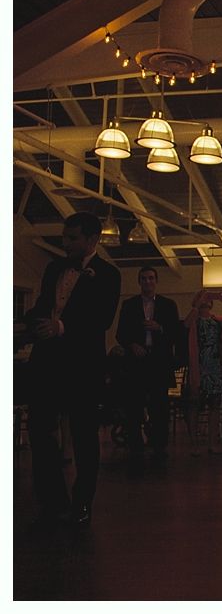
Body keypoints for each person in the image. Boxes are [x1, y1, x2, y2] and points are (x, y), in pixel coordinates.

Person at [25, 212, 121, 525]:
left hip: (82, 365)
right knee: (39, 429)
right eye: (65, 237)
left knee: (83, 435)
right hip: (47, 362)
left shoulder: (108, 274)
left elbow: (101, 319)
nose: (66, 243)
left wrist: (61, 327)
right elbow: (43, 304)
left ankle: (82, 502)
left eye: (73, 238)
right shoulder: (54, 268)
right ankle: (51, 499)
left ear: (92, 240)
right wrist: (34, 323)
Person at [115, 266, 179, 473]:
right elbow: (120, 333)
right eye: (144, 278)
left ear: (156, 281)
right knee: (134, 406)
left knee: (159, 407)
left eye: (151, 278)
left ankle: (159, 446)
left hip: (159, 362)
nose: (148, 282)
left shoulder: (168, 305)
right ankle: (136, 447)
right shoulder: (129, 305)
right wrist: (132, 344)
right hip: (136, 362)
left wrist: (160, 328)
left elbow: (176, 333)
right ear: (139, 282)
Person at [184, 289, 222, 455]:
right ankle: (194, 443)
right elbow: (186, 325)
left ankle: (212, 442)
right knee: (194, 404)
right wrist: (197, 304)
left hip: (215, 365)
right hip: (197, 365)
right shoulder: (194, 320)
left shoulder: (217, 321)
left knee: (215, 404)